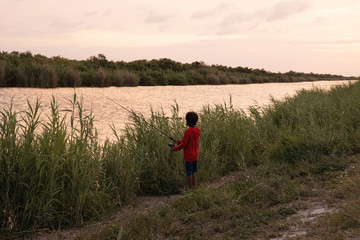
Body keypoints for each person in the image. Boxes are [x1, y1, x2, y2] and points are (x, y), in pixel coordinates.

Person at [171, 111, 201, 189]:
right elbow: (188, 142)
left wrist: (174, 149)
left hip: (188, 156)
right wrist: (179, 142)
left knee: (189, 173)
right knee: (193, 172)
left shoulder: (188, 132)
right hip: (195, 155)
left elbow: (184, 145)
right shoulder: (197, 130)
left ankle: (190, 188)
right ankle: (194, 187)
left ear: (187, 121)